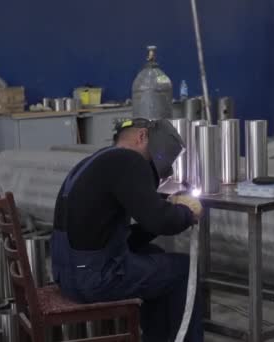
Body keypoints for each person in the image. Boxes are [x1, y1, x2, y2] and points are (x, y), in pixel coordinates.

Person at [50, 118, 204, 342]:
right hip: (93, 278)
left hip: (66, 274)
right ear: (142, 137)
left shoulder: (96, 161)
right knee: (185, 268)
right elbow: (161, 221)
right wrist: (186, 213)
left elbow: (116, 235)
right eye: (152, 161)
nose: (150, 169)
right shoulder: (128, 160)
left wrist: (165, 211)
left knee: (156, 255)